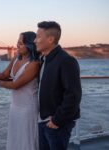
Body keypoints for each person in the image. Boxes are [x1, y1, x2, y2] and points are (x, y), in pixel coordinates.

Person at [0, 31, 40, 150]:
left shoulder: (34, 64)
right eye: (17, 43)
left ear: (30, 45)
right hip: (15, 106)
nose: (17, 46)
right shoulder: (16, 58)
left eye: (21, 44)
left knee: (27, 140)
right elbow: (5, 74)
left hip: (28, 108)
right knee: (15, 139)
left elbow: (16, 85)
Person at [34, 21, 82, 150]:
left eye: (38, 36)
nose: (34, 41)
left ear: (50, 39)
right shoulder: (44, 59)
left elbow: (73, 95)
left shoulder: (66, 61)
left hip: (56, 123)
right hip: (43, 120)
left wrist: (57, 120)